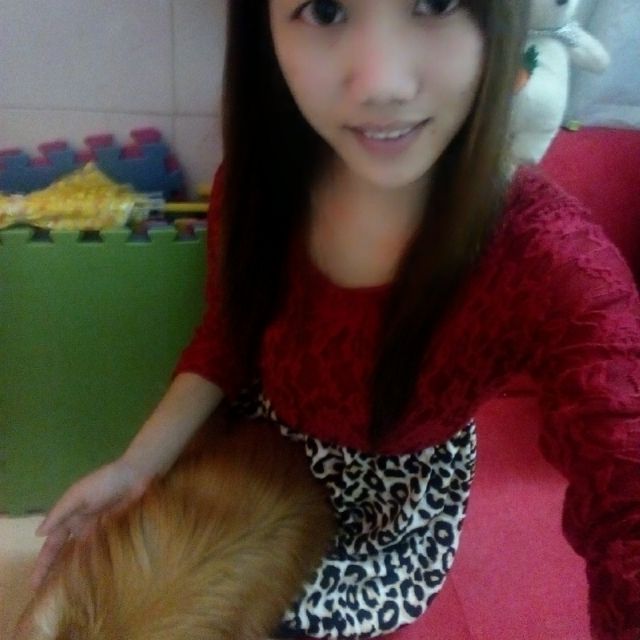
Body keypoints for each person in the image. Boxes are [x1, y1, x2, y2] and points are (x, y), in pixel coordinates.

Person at [32, 1, 640, 638]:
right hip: (255, 452)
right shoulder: (257, 184)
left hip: (391, 515)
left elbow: (623, 479)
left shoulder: (546, 256)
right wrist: (136, 466)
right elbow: (227, 336)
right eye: (324, 9)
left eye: (435, 2)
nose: (381, 84)